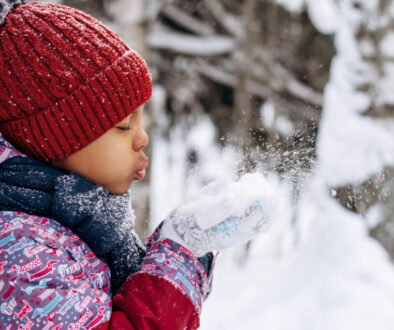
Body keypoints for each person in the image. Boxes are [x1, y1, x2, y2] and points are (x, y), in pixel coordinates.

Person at [0, 1, 279, 329]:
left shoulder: (81, 219)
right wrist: (175, 262)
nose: (142, 138)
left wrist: (184, 247)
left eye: (141, 120)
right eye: (122, 126)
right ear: (53, 138)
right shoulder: (17, 251)